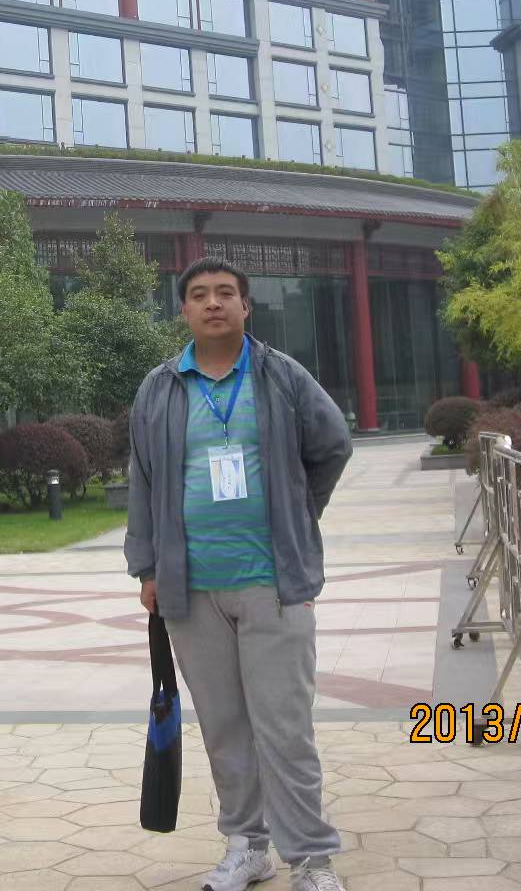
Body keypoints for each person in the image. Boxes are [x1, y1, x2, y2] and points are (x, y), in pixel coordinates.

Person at [126, 256, 354, 891]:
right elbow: (141, 480)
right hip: (191, 589)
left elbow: (333, 445)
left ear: (246, 306)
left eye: (226, 292)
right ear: (183, 310)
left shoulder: (281, 376)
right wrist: (146, 567)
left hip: (272, 583)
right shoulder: (160, 388)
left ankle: (311, 859)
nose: (213, 303)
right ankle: (248, 846)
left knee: (285, 727)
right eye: (199, 294)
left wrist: (296, 514)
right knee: (225, 727)